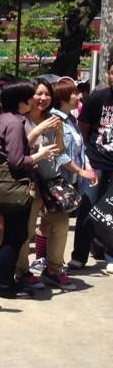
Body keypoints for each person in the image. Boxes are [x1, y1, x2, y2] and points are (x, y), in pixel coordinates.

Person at [0, 81, 59, 298]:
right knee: (16, 236)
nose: (34, 100)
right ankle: (4, 284)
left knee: (11, 235)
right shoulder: (15, 123)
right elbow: (17, 160)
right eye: (30, 96)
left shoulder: (3, 119)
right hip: (14, 186)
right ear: (21, 100)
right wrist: (41, 154)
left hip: (3, 185)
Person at [52, 77, 96, 282]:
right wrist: (81, 171)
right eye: (74, 93)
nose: (78, 96)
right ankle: (52, 267)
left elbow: (80, 148)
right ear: (63, 96)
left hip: (71, 180)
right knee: (56, 226)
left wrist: (87, 167)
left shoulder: (71, 119)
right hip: (58, 179)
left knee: (58, 226)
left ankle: (52, 265)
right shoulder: (56, 120)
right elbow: (59, 154)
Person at [76, 56, 113, 274]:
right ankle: (79, 255)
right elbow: (83, 127)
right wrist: (89, 155)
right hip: (96, 161)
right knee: (87, 207)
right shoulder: (97, 98)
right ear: (108, 73)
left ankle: (110, 255)